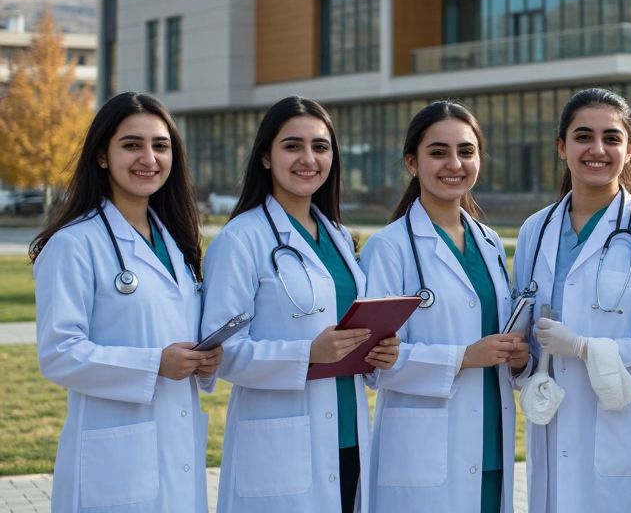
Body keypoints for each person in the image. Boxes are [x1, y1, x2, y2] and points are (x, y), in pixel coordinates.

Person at [202, 96, 400, 513]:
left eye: (320, 147)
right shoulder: (241, 240)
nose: (308, 158)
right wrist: (306, 354)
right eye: (292, 146)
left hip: (348, 434)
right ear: (266, 158)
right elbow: (219, 352)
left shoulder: (339, 238)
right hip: (281, 442)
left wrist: (378, 350)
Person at [33, 92, 218, 513]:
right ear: (102, 156)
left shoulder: (177, 243)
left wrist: (206, 357)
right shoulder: (74, 244)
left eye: (161, 145)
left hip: (177, 444)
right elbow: (59, 354)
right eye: (132, 144)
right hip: (113, 458)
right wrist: (156, 364)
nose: (149, 158)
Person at [514, 87, 631, 513]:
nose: (597, 149)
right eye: (583, 136)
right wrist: (521, 361)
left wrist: (585, 348)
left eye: (611, 138)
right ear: (562, 147)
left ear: (629, 151)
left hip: (619, 429)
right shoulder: (534, 232)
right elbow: (523, 325)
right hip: (552, 420)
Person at [361, 100, 528, 512]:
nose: (454, 163)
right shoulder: (389, 247)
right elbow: (375, 361)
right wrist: (464, 357)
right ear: (412, 163)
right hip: (423, 449)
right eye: (438, 152)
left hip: (491, 437)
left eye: (466, 151)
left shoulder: (488, 242)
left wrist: (518, 356)